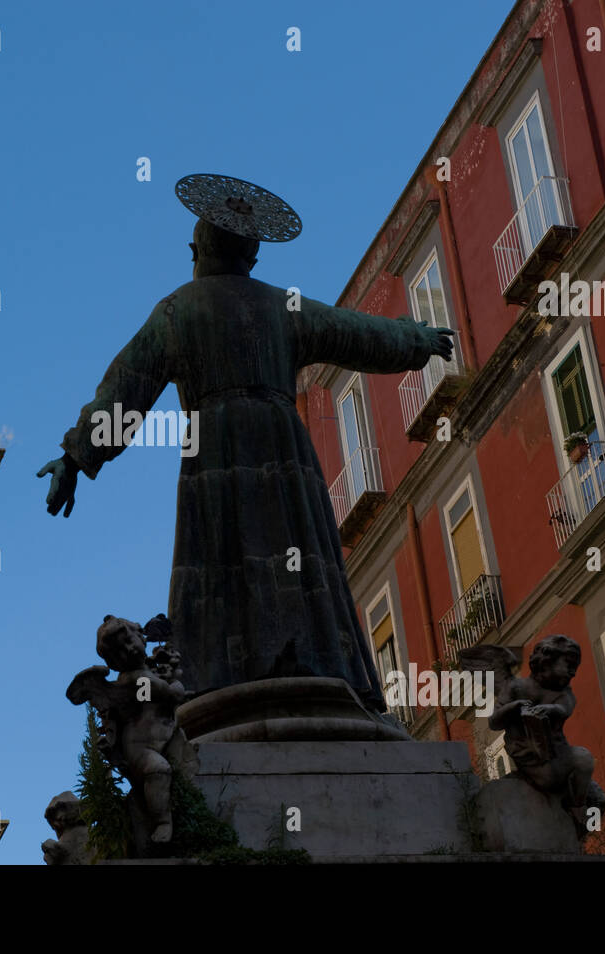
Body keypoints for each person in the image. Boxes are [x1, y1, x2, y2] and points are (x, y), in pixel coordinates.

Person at [39, 175, 454, 710]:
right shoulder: (284, 306)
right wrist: (414, 340)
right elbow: (357, 334)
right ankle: (321, 669)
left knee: (219, 562)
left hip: (216, 447)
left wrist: (75, 458)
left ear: (196, 250)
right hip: (283, 447)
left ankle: (219, 680)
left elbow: (124, 394)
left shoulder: (179, 310)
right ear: (252, 258)